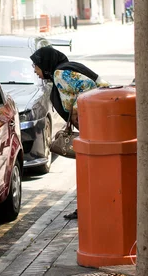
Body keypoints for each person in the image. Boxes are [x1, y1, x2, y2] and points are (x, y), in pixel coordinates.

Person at [30, 46, 109, 220]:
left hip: (94, 128)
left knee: (89, 170)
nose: (35, 71)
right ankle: (88, 207)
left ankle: (90, 208)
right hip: (97, 126)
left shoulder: (60, 73)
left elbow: (88, 87)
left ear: (45, 64)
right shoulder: (66, 67)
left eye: (36, 66)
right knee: (90, 170)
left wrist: (75, 110)